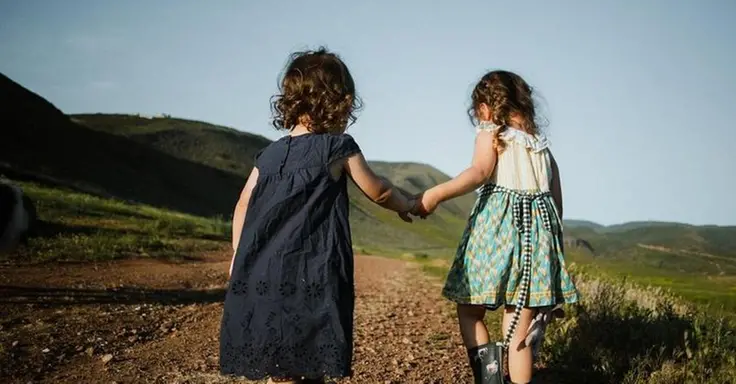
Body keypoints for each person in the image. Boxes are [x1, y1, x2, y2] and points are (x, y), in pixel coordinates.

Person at [219, 48, 417, 384]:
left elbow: (242, 203)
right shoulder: (338, 147)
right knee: (310, 355)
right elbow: (379, 191)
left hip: (261, 271)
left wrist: (239, 254)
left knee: (279, 362)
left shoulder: (268, 154)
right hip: (311, 273)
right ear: (341, 101)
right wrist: (408, 204)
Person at [414, 70, 578, 384]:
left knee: (469, 309)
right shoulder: (543, 148)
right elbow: (556, 206)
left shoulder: (492, 134)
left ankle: (489, 380)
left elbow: (478, 172)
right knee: (518, 326)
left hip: (495, 235)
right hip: (537, 242)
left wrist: (434, 195)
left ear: (489, 105)